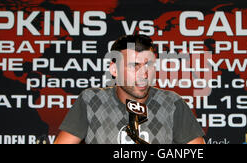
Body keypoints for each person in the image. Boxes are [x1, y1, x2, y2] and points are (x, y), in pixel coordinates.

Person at [54, 35, 205, 144]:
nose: (144, 74)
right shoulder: (91, 100)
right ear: (114, 70)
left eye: (149, 65)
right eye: (134, 66)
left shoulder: (172, 103)